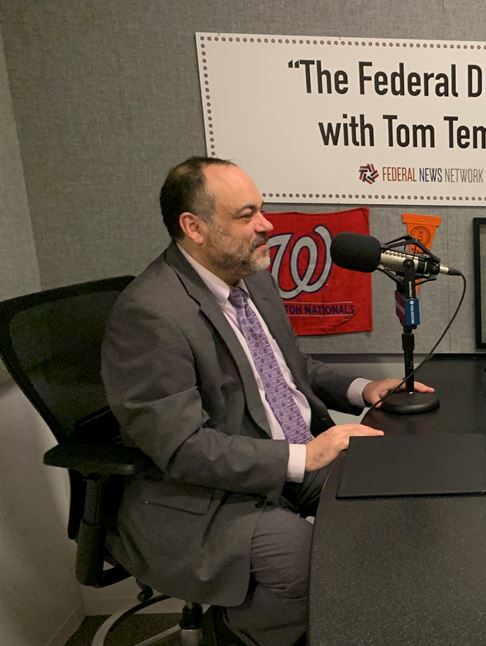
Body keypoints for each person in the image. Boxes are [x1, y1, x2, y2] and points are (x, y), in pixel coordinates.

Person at [101, 156, 432, 645]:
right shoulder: (149, 314)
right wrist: (304, 457)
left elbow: (290, 367)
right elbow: (183, 448)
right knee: (301, 560)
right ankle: (230, 635)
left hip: (279, 455)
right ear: (194, 227)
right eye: (246, 215)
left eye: (262, 209)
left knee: (394, 493)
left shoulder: (250, 278)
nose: (267, 225)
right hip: (198, 490)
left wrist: (363, 389)